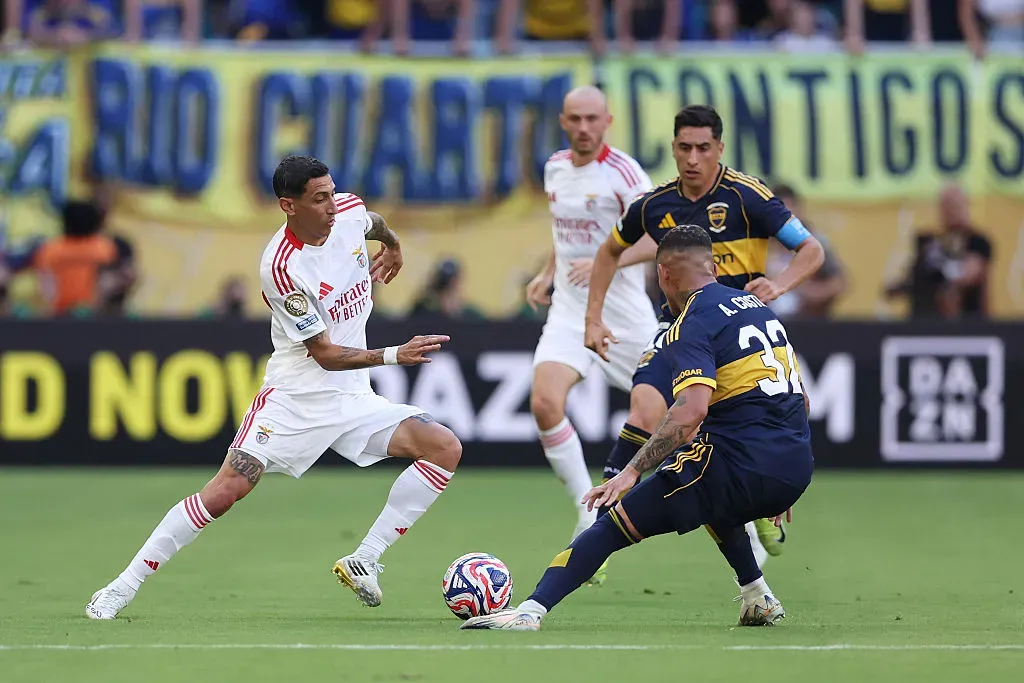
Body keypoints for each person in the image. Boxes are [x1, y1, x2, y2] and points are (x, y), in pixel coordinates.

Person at [86, 155, 462, 619]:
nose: (331, 205)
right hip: (295, 399)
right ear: (289, 205)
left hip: (351, 397)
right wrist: (392, 354)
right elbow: (323, 353)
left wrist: (394, 245)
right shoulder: (282, 268)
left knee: (444, 447)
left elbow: (373, 221)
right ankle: (122, 586)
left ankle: (365, 558)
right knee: (226, 491)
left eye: (331, 192)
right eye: (318, 198)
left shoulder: (347, 211)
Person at [461, 225, 814, 631]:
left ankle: (529, 612)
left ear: (662, 274)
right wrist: (781, 462)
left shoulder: (691, 322)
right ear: (713, 267)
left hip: (745, 468)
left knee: (615, 524)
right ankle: (757, 595)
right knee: (706, 483)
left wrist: (631, 471)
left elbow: (689, 412)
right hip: (795, 466)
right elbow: (801, 400)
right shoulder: (758, 308)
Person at [583, 104, 824, 561]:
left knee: (713, 453)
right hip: (678, 331)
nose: (693, 158)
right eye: (684, 148)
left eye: (703, 148)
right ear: (673, 148)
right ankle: (599, 524)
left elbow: (811, 249)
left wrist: (781, 282)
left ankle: (756, 544)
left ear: (720, 149)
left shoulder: (748, 196)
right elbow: (608, 252)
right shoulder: (655, 205)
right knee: (645, 406)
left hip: (738, 339)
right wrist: (593, 319)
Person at [525, 85, 659, 550]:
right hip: (568, 309)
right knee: (544, 402)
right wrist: (549, 272)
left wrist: (608, 260)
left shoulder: (624, 174)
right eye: (574, 119)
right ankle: (588, 513)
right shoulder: (556, 168)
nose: (583, 128)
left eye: (592, 119)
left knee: (672, 412)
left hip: (624, 315)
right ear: (563, 121)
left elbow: (658, 238)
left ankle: (745, 516)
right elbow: (564, 233)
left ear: (608, 121)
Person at [884, 184, 992, 319]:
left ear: (965, 205)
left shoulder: (977, 241)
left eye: (954, 204)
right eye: (945, 205)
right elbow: (916, 275)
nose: (949, 210)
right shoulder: (929, 242)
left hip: (966, 322)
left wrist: (944, 272)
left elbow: (969, 273)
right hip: (926, 320)